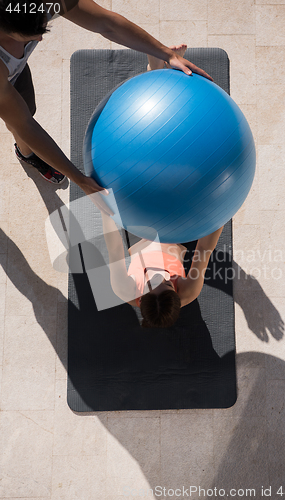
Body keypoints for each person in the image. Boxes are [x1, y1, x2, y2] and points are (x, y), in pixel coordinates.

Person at [0, 0, 213, 208]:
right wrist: (79, 179)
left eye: (44, 24)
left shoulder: (44, 3)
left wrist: (167, 54)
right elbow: (24, 125)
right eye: (32, 33)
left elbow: (106, 23)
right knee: (18, 120)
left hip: (13, 69)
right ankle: (26, 153)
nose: (40, 38)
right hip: (4, 75)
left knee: (27, 109)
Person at [101, 208, 224, 329]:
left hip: (139, 237)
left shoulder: (125, 290)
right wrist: (222, 213)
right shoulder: (188, 291)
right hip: (176, 238)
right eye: (168, 284)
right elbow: (203, 250)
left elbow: (115, 250)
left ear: (141, 297)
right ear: (176, 294)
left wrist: (104, 210)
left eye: (152, 284)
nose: (160, 277)